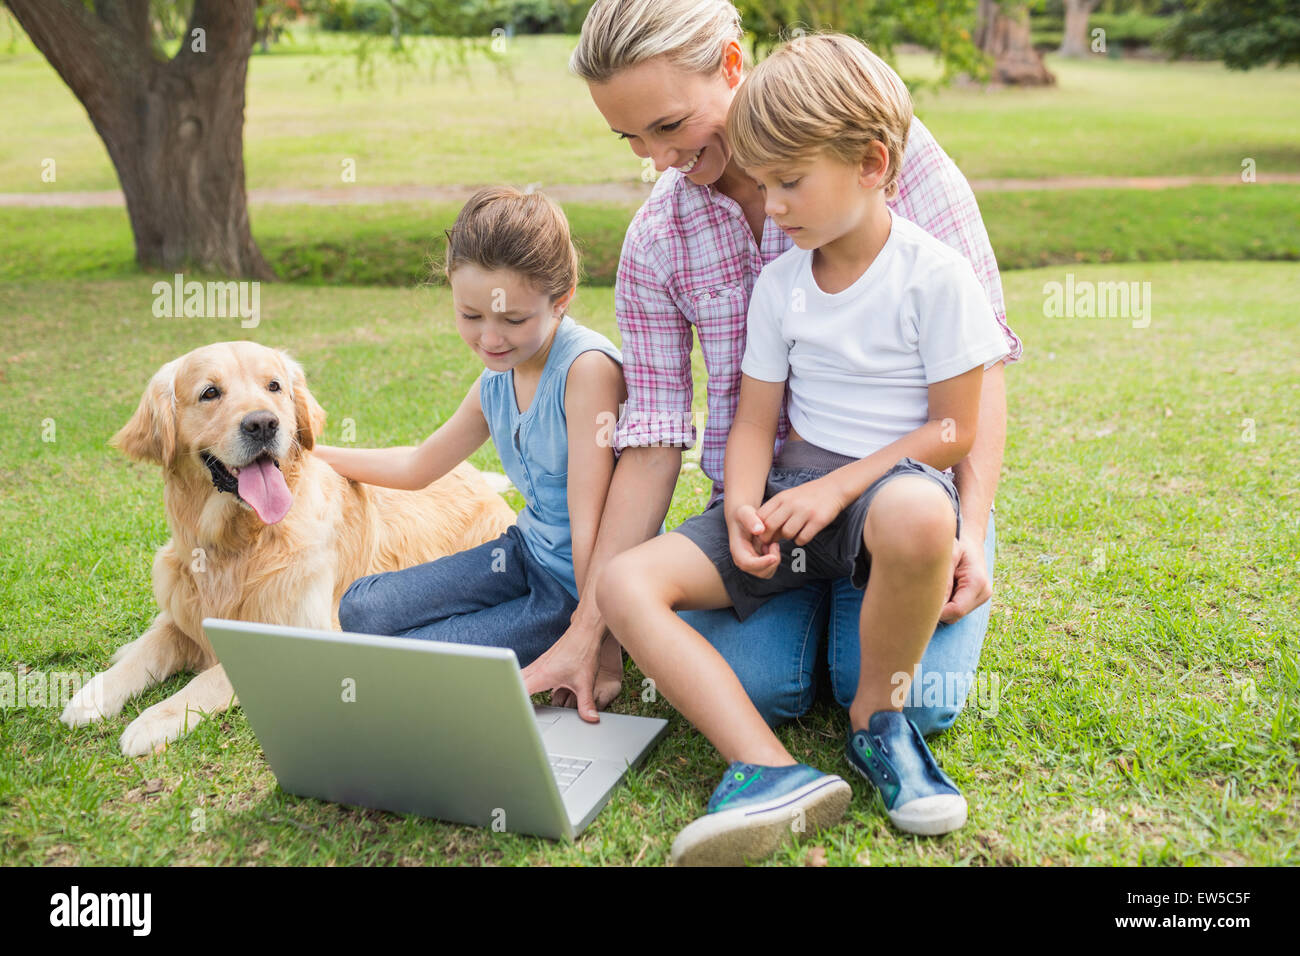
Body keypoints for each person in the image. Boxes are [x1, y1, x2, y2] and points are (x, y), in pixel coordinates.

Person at [525, 0, 1022, 733]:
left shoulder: (880, 156)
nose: (658, 161)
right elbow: (656, 437)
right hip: (765, 515)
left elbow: (984, 371)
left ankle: (884, 603)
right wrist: (587, 626)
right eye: (629, 138)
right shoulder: (657, 238)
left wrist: (971, 532)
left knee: (915, 700)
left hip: (896, 494)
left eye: (667, 125)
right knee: (760, 689)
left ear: (732, 64)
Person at [597, 31, 1012, 865]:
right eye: (630, 139)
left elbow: (952, 428)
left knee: (916, 533)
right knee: (626, 586)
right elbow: (752, 418)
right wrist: (747, 501)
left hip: (895, 494)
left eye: (789, 183)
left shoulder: (933, 272)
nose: (774, 204)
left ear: (871, 164)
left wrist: (954, 518)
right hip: (790, 495)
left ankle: (879, 726)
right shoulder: (780, 280)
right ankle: (767, 768)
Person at [315, 186, 626, 681]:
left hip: (577, 587)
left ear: (562, 300)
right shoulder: (498, 378)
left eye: (513, 319)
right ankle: (495, 633)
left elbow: (591, 526)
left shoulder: (586, 371)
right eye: (471, 316)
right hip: (524, 556)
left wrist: (596, 642)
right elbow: (419, 466)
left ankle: (569, 633)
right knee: (360, 609)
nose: (490, 338)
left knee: (413, 662)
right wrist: (309, 453)